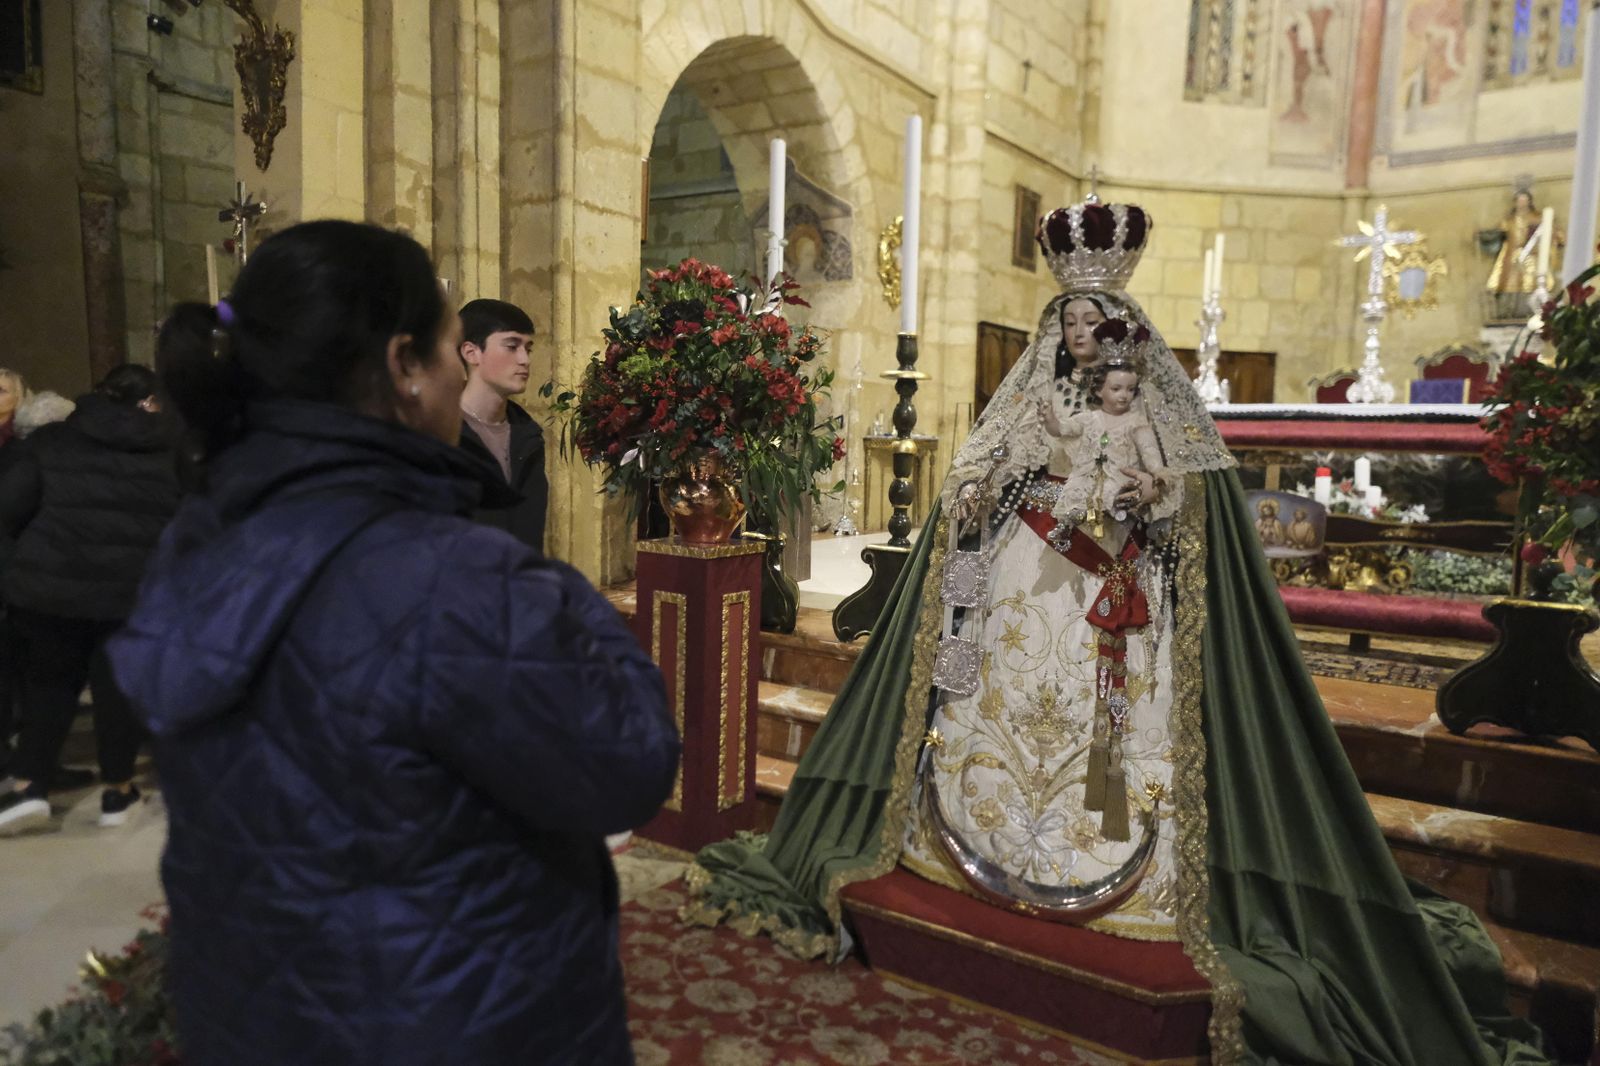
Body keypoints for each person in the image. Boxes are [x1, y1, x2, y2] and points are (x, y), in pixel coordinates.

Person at [684, 198, 1545, 1065]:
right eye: (1069, 318)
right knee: (999, 725)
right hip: (1023, 597)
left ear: (1123, 325)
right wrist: (980, 491)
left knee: (1114, 734)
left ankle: (1121, 870)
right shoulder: (1031, 396)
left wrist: (1153, 497)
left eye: (1095, 317)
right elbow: (979, 475)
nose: (1082, 329)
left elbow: (1194, 505)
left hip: (1116, 605)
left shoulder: (1152, 401)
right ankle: (974, 848)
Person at [104, 220, 678, 1066]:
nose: (459, 371)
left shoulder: (196, 543)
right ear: (405, 366)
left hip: (259, 1012)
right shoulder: (457, 581)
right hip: (456, 1021)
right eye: (452, 347)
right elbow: (630, 765)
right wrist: (573, 607)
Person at [0, 365, 178, 833]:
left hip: (49, 589)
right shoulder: (169, 451)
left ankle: (28, 789)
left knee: (47, 688)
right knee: (115, 694)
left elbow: (9, 508)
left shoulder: (49, 441)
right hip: (130, 592)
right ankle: (117, 795)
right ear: (150, 403)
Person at [457, 298, 548, 553]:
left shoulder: (528, 435)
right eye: (511, 346)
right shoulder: (440, 433)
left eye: (528, 349)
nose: (524, 359)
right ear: (471, 352)